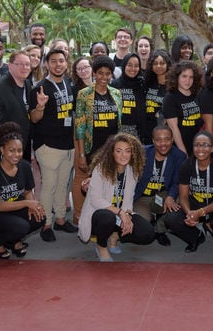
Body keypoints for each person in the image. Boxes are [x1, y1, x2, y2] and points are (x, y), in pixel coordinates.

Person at [78, 133, 154, 261]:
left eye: (127, 151)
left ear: (132, 153)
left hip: (119, 214)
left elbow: (128, 200)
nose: (123, 155)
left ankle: (114, 236)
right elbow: (95, 200)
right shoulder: (101, 169)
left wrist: (127, 216)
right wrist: (120, 212)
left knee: (147, 233)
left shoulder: (132, 171)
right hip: (98, 214)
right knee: (106, 217)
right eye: (119, 151)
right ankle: (101, 246)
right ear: (112, 153)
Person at [29, 48, 78, 237]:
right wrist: (40, 106)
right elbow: (34, 118)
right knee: (48, 186)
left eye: (61, 61)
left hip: (67, 145)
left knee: (62, 185)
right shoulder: (40, 88)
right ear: (47, 65)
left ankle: (60, 219)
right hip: (48, 146)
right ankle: (46, 224)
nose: (58, 64)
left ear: (66, 63)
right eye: (54, 61)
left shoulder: (68, 83)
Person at [72, 56, 123, 231]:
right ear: (94, 73)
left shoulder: (116, 94)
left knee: (108, 187)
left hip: (111, 150)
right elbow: (80, 126)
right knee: (92, 189)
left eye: (108, 73)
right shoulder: (84, 94)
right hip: (91, 148)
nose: (104, 77)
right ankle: (88, 224)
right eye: (100, 73)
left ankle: (105, 224)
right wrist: (81, 154)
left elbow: (119, 123)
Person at [0, 122, 47, 258]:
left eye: (19, 150)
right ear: (2, 150)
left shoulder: (25, 166)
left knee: (40, 217)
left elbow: (27, 191)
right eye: (11, 150)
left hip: (16, 208)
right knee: (21, 227)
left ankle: (14, 240)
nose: (16, 154)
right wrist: (27, 203)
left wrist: (32, 207)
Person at [163, 132, 213, 258]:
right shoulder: (186, 165)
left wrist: (200, 212)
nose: (201, 149)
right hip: (195, 204)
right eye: (197, 145)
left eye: (205, 145)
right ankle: (195, 238)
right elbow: (183, 196)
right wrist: (190, 213)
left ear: (212, 148)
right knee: (171, 218)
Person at [132, 126, 186, 247]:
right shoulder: (142, 153)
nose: (163, 144)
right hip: (142, 197)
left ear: (172, 140)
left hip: (163, 195)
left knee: (178, 198)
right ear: (153, 141)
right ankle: (151, 222)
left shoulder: (179, 156)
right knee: (142, 225)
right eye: (158, 140)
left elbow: (177, 181)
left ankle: (160, 230)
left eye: (167, 139)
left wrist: (171, 196)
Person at [0, 51, 33, 170]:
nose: (24, 67)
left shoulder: (27, 84)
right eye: (20, 64)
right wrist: (6, 150)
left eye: (27, 64)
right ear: (10, 65)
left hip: (20, 150)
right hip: (1, 154)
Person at [162, 60, 204, 154]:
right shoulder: (170, 98)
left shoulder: (197, 94)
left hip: (197, 145)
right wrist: (183, 152)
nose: (187, 81)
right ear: (177, 77)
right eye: (184, 76)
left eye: (191, 77)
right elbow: (173, 128)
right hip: (179, 147)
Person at [111, 53, 149, 143]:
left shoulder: (143, 84)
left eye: (136, 66)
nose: (133, 69)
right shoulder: (115, 85)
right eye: (129, 65)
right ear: (124, 65)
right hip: (119, 130)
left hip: (139, 131)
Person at [144, 49, 172, 127]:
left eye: (162, 63)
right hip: (147, 126)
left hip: (166, 128)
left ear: (167, 65)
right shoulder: (147, 83)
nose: (158, 66)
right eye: (155, 63)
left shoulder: (173, 85)